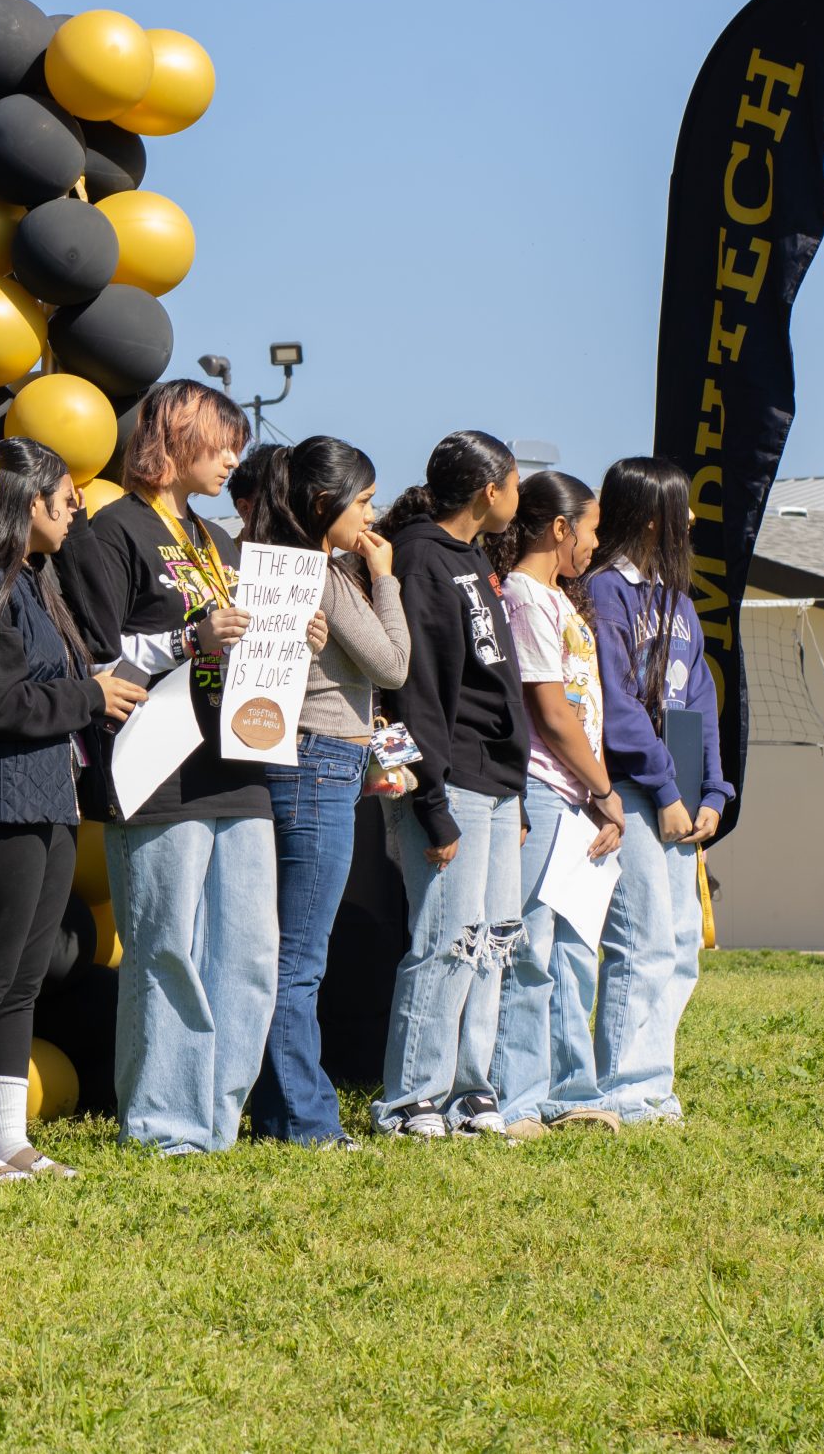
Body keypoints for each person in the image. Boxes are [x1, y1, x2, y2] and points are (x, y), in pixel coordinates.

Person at [56, 379, 281, 1156]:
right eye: (219, 442)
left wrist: (292, 638)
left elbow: (237, 644)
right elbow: (95, 655)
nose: (231, 459)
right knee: (167, 948)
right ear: (175, 440)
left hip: (238, 764)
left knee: (250, 952)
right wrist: (192, 638)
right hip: (157, 766)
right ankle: (164, 1123)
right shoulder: (110, 530)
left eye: (236, 445)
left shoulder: (217, 540)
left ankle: (216, 1120)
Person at [0, 437, 145, 1178]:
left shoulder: (35, 582)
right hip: (1, 795)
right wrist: (89, 697)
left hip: (49, 794)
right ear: (26, 503)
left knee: (24, 974)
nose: (77, 506)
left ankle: (8, 1136)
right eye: (64, 495)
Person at [237, 436, 407, 1149]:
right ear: (322, 503)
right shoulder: (327, 575)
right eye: (362, 500)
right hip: (317, 764)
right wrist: (385, 577)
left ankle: (282, 1111)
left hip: (301, 760)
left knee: (286, 951)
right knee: (299, 957)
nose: (371, 515)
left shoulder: (279, 563)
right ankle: (305, 1119)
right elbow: (393, 664)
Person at [372, 432, 528, 1141]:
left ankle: (471, 1087)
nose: (518, 497)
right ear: (488, 489)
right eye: (516, 483)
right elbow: (419, 690)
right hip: (450, 778)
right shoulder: (421, 554)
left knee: (492, 941)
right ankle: (410, 1096)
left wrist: (516, 788)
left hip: (495, 782)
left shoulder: (474, 559)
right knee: (444, 937)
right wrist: (430, 803)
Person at [586, 457, 733, 1125]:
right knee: (640, 939)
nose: (693, 519)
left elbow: (699, 701)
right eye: (681, 508)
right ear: (650, 516)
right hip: (636, 791)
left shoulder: (678, 602)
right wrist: (667, 788)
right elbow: (617, 707)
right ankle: (624, 1086)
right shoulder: (605, 593)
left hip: (680, 799)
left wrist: (714, 790)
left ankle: (654, 1080)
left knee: (679, 943)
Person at [488, 472, 624, 1140]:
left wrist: (593, 794)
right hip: (544, 788)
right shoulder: (523, 595)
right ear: (560, 527)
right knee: (530, 946)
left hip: (574, 795)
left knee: (573, 948)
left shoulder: (561, 601)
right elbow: (550, 709)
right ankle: (516, 1097)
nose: (596, 544)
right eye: (592, 528)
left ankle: (573, 1088)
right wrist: (604, 787)